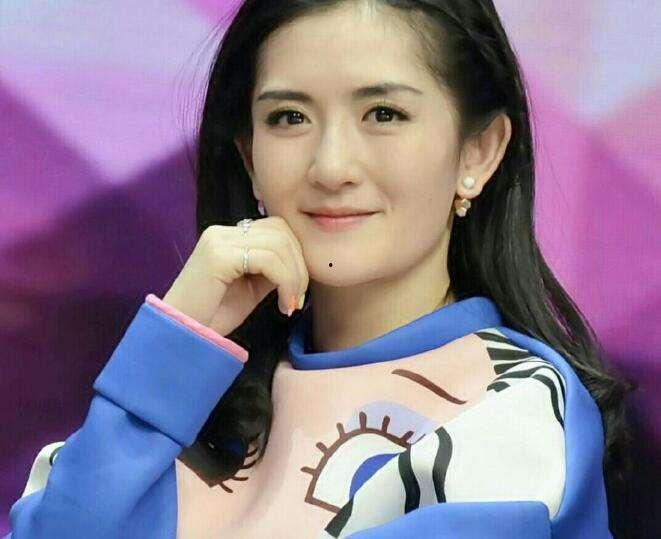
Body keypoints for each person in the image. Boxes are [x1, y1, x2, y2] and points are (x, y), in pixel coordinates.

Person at [5, 0, 635, 537]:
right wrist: (178, 341)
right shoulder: (192, 405)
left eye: (383, 114)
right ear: (249, 159)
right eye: (290, 118)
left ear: (478, 152)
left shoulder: (514, 403)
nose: (331, 166)